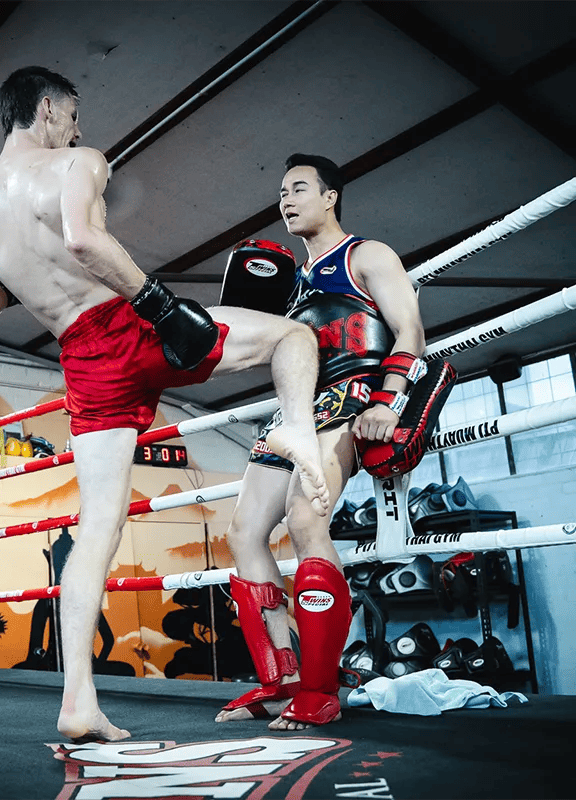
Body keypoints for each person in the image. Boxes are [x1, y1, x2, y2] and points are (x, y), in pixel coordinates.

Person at [0, 67, 331, 743]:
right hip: (128, 328)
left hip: (79, 359)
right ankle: (298, 429)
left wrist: (16, 274)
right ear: (46, 108)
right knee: (293, 336)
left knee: (96, 529)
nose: (79, 127)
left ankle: (78, 703)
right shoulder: (79, 162)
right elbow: (84, 241)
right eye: (71, 114)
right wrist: (159, 304)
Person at [215, 154, 425, 731]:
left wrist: (387, 401)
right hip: (295, 411)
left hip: (353, 395)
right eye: (280, 191)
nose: (285, 199)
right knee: (243, 532)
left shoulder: (366, 255)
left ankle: (320, 687)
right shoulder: (287, 284)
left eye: (298, 188)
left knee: (306, 520)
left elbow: (410, 329)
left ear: (330, 196)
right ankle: (280, 677)